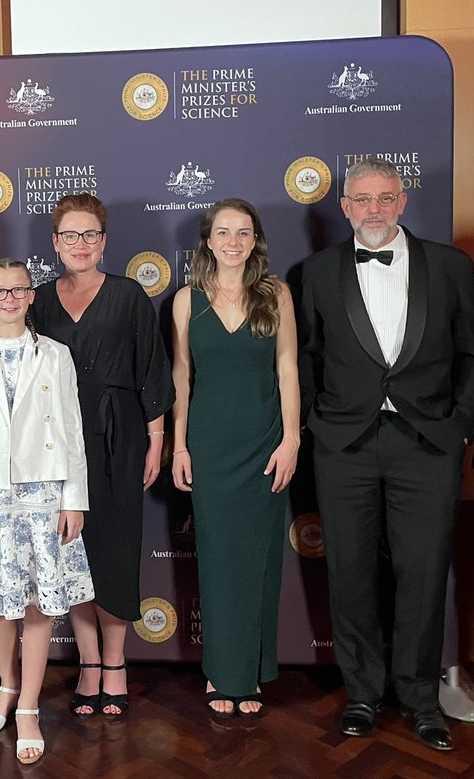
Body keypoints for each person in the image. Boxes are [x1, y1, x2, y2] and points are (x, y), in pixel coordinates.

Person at [298, 158, 474, 751]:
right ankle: (361, 694)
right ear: (345, 207)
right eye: (362, 199)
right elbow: (303, 358)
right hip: (345, 446)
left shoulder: (452, 266)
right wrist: (316, 426)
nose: (374, 209)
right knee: (350, 572)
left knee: (424, 574)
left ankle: (419, 698)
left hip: (426, 444)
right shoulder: (316, 272)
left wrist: (458, 427)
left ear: (402, 202)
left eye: (385, 198)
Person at [0, 258, 95, 764]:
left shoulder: (56, 355)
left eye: (18, 290)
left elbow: (72, 430)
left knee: (36, 601)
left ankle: (28, 704)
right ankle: (7, 687)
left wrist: (75, 497)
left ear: (31, 296)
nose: (9, 299)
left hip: (43, 492)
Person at [31, 193, 174, 720]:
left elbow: (151, 369)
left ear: (104, 241)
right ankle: (88, 663)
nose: (81, 244)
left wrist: (156, 438)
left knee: (113, 549)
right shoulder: (38, 300)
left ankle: (115, 665)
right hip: (57, 442)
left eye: (90, 235)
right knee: (73, 555)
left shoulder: (130, 295)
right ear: (55, 242)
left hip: (120, 436)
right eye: (70, 235)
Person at [170, 199, 300, 717]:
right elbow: (182, 379)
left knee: (260, 561)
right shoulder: (186, 300)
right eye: (222, 232)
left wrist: (292, 439)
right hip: (210, 444)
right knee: (220, 562)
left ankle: (253, 673)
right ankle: (222, 674)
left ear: (255, 240)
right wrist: (179, 445)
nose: (232, 241)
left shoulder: (278, 295)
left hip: (265, 441)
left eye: (242, 232)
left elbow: (288, 369)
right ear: (207, 240)